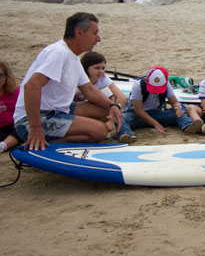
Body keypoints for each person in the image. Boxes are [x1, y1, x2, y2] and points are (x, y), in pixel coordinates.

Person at [13, 12, 123, 151]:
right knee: (99, 131)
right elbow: (31, 86)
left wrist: (112, 106)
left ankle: (53, 138)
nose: (98, 39)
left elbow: (89, 90)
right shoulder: (59, 53)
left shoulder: (73, 56)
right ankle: (40, 146)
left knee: (104, 111)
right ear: (79, 32)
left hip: (58, 111)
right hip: (32, 120)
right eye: (94, 33)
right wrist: (35, 128)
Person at [116, 66, 203, 143]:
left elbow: (175, 102)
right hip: (136, 116)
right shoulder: (138, 85)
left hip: (156, 114)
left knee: (181, 108)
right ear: (146, 80)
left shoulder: (166, 84)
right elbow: (138, 111)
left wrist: (177, 107)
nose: (156, 91)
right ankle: (126, 134)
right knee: (120, 118)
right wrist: (156, 124)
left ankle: (188, 125)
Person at [71, 52, 127, 124]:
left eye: (103, 68)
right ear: (86, 68)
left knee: (113, 98)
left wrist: (114, 113)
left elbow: (121, 97)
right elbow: (69, 101)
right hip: (80, 106)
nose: (101, 72)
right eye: (97, 68)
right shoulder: (78, 80)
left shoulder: (103, 78)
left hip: (93, 104)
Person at [0, 60, 21, 153]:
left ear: (6, 76)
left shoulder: (14, 92)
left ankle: (3, 145)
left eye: (0, 76)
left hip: (12, 126)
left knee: (23, 129)